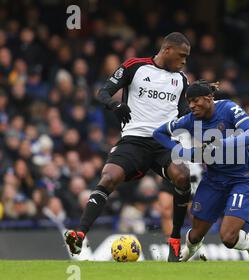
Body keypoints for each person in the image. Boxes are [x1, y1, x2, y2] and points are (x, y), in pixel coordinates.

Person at [64, 32, 192, 262]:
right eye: (182, 55)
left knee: (182, 176)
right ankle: (79, 235)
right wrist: (114, 105)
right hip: (134, 139)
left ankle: (174, 241)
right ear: (167, 50)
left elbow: (184, 113)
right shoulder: (135, 67)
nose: (184, 61)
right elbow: (102, 93)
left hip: (164, 142)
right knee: (109, 177)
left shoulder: (181, 80)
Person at [153, 80, 249, 262]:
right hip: (214, 179)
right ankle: (189, 251)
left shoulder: (228, 109)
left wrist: (220, 144)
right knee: (195, 235)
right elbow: (159, 133)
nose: (192, 106)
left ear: (209, 98)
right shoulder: (190, 119)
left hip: (241, 178)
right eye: (189, 102)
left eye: (196, 100)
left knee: (227, 237)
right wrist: (183, 152)